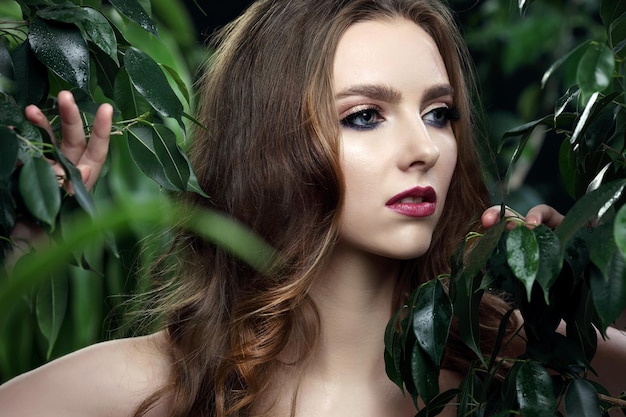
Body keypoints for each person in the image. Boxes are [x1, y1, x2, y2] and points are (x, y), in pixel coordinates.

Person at [0, 0, 623, 416]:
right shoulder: (155, 386)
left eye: (438, 113)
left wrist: (576, 295)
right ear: (270, 142)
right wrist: (20, 250)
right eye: (364, 116)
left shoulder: (518, 363)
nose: (423, 149)